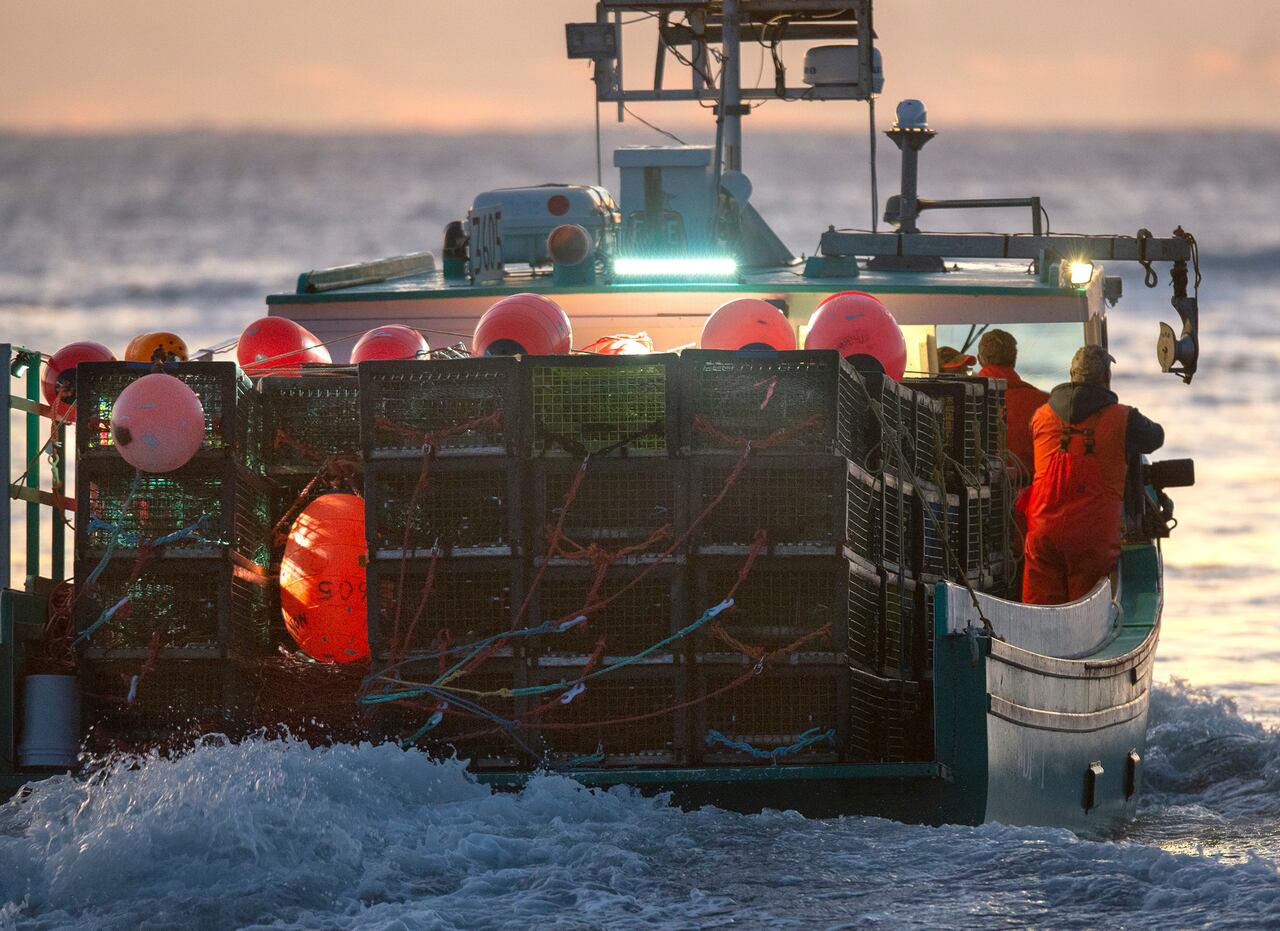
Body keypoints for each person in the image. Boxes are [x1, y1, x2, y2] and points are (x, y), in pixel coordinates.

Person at [1022, 346, 1164, 605]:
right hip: (1092, 540)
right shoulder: (1124, 418)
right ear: (1106, 378)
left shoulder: (1040, 416)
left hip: (1043, 534)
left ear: (1070, 375)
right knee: (1085, 615)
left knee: (1038, 611)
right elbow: (1156, 437)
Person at [975, 329, 1049, 479]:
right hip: (1030, 493)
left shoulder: (965, 400)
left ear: (979, 359)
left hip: (977, 491)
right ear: (1014, 359)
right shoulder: (1045, 403)